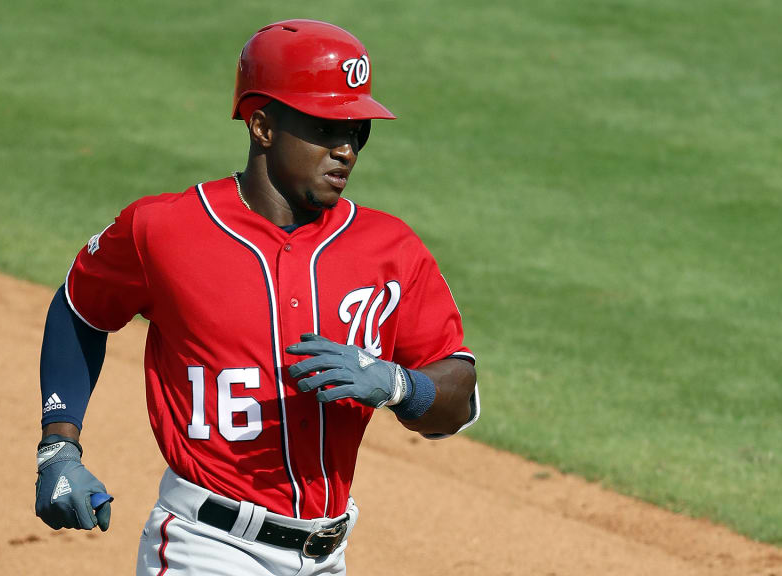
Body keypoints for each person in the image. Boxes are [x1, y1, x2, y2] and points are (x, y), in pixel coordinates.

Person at [34, 19, 479, 575]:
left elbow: (457, 399)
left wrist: (400, 384)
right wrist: (59, 442)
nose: (346, 149)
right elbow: (80, 308)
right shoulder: (164, 230)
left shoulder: (390, 249)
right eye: (326, 127)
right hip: (208, 546)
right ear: (263, 126)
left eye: (358, 131)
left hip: (328, 555)